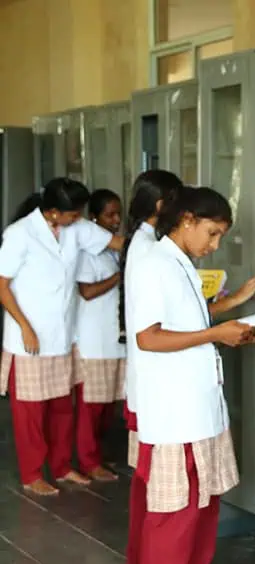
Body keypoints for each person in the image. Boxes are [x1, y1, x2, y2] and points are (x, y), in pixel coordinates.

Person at [119, 172, 255, 564]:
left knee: (202, 502)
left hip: (198, 406)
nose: (214, 245)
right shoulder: (152, 262)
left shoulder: (177, 262)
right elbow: (148, 337)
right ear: (186, 219)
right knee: (175, 507)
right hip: (173, 411)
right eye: (212, 233)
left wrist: (231, 324)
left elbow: (188, 320)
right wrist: (217, 333)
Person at [0, 178, 125, 496]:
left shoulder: (76, 227)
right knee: (30, 412)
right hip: (28, 336)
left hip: (63, 333)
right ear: (53, 212)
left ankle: (61, 466)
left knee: (61, 407)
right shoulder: (19, 235)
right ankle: (31, 474)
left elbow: (116, 243)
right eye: (72, 214)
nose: (77, 219)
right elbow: (2, 286)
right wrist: (25, 326)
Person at [119, 169, 183, 564]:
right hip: (153, 390)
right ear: (162, 206)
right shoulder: (148, 252)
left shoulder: (144, 244)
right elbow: (154, 330)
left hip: (150, 387)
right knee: (155, 486)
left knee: (149, 484)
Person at [74, 188, 125, 483]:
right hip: (95, 337)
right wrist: (120, 275)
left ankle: (98, 454)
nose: (116, 220)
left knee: (108, 403)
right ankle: (88, 460)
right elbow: (87, 291)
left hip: (115, 336)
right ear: (93, 217)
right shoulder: (87, 252)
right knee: (91, 404)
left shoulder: (116, 249)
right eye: (109, 214)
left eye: (118, 213)